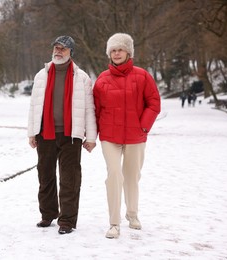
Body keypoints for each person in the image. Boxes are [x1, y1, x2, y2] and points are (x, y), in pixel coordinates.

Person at [93, 33, 161, 239]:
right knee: (114, 175)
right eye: (113, 50)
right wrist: (90, 136)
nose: (116, 53)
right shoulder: (102, 79)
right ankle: (114, 223)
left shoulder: (142, 76)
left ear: (128, 52)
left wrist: (143, 126)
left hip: (135, 136)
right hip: (109, 137)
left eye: (120, 49)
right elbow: (94, 110)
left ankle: (132, 214)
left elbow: (154, 103)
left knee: (132, 177)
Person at [27, 35, 97, 235]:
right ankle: (48, 214)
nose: (58, 51)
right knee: (45, 175)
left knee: (70, 179)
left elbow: (89, 110)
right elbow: (34, 106)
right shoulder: (41, 75)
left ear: (70, 53)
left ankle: (66, 220)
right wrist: (32, 132)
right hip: (45, 133)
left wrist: (91, 137)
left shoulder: (81, 77)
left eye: (63, 49)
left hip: (71, 135)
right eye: (56, 48)